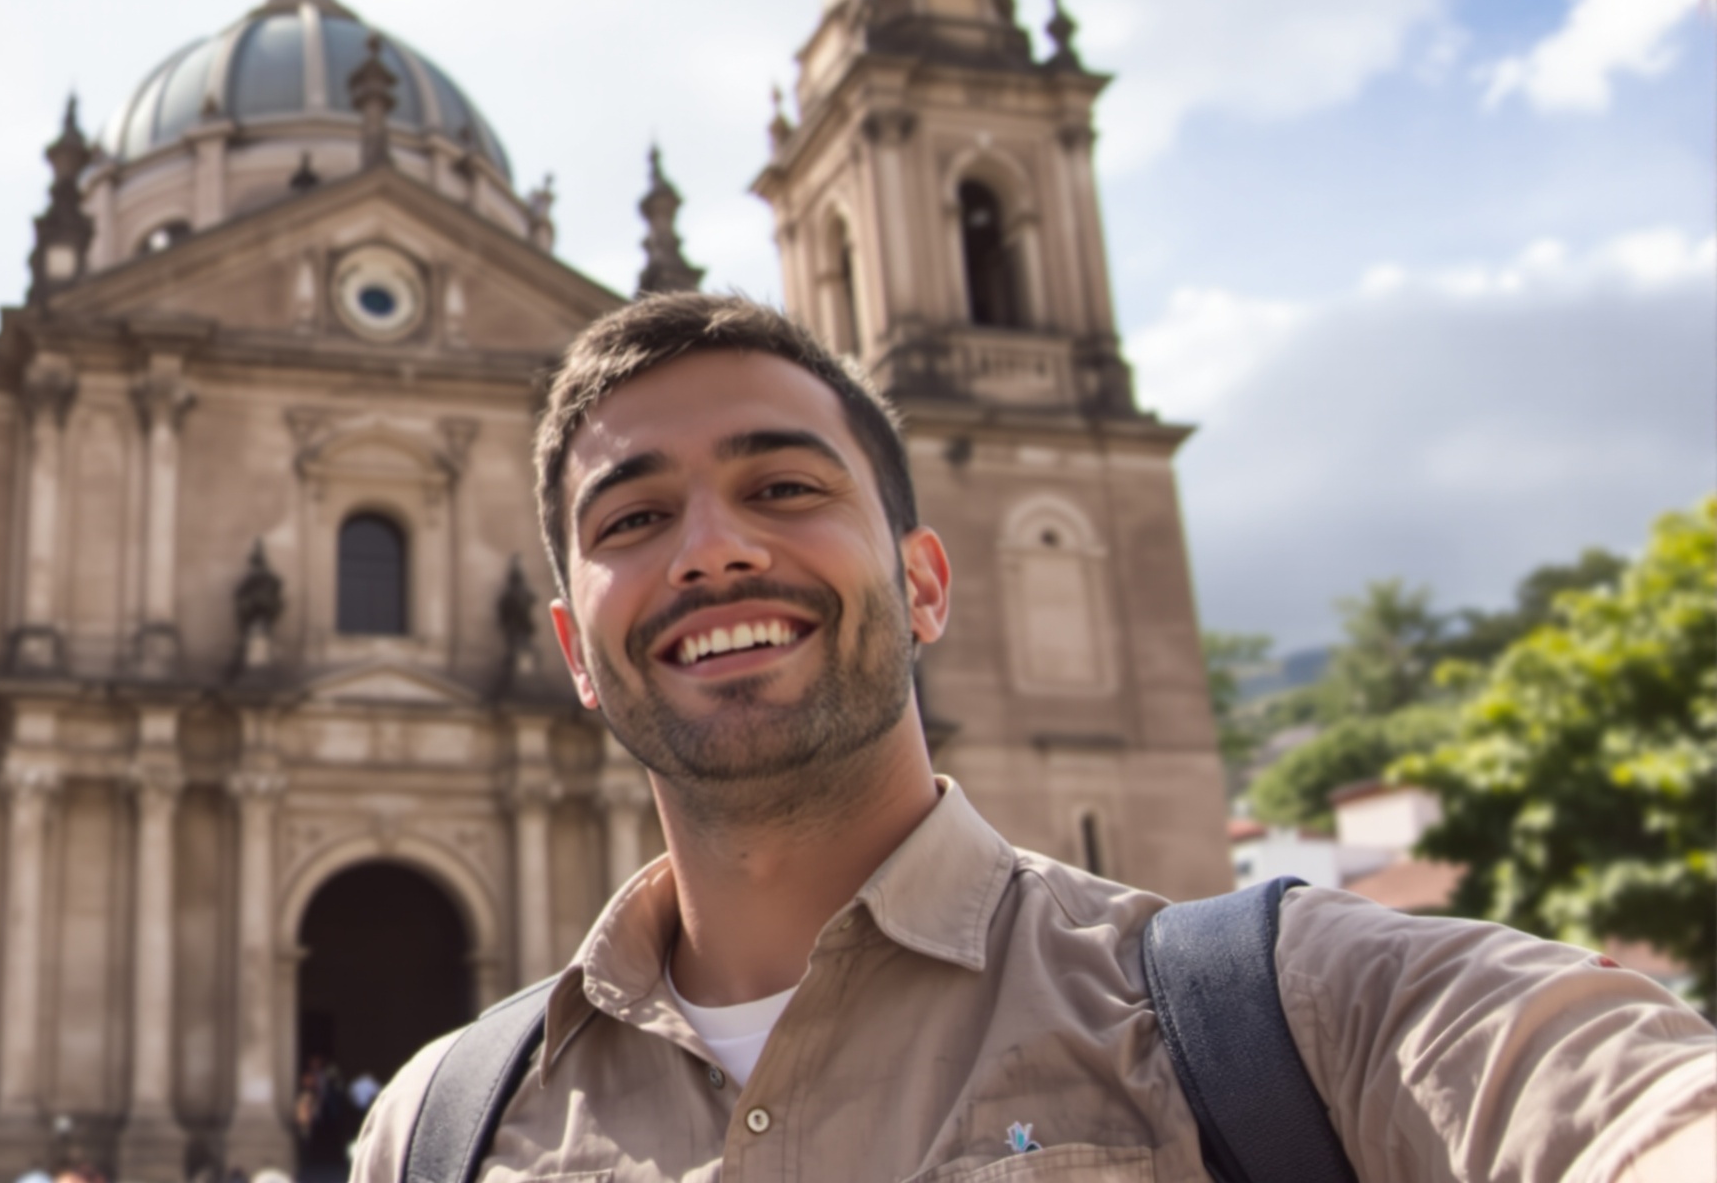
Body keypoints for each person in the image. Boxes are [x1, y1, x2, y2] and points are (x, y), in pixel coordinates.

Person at [350, 293, 1716, 1183]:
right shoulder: (435, 1134)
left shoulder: (1280, 1015)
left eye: (782, 484)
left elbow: (1605, 1098)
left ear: (930, 582)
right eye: (633, 519)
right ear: (572, 653)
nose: (714, 550)